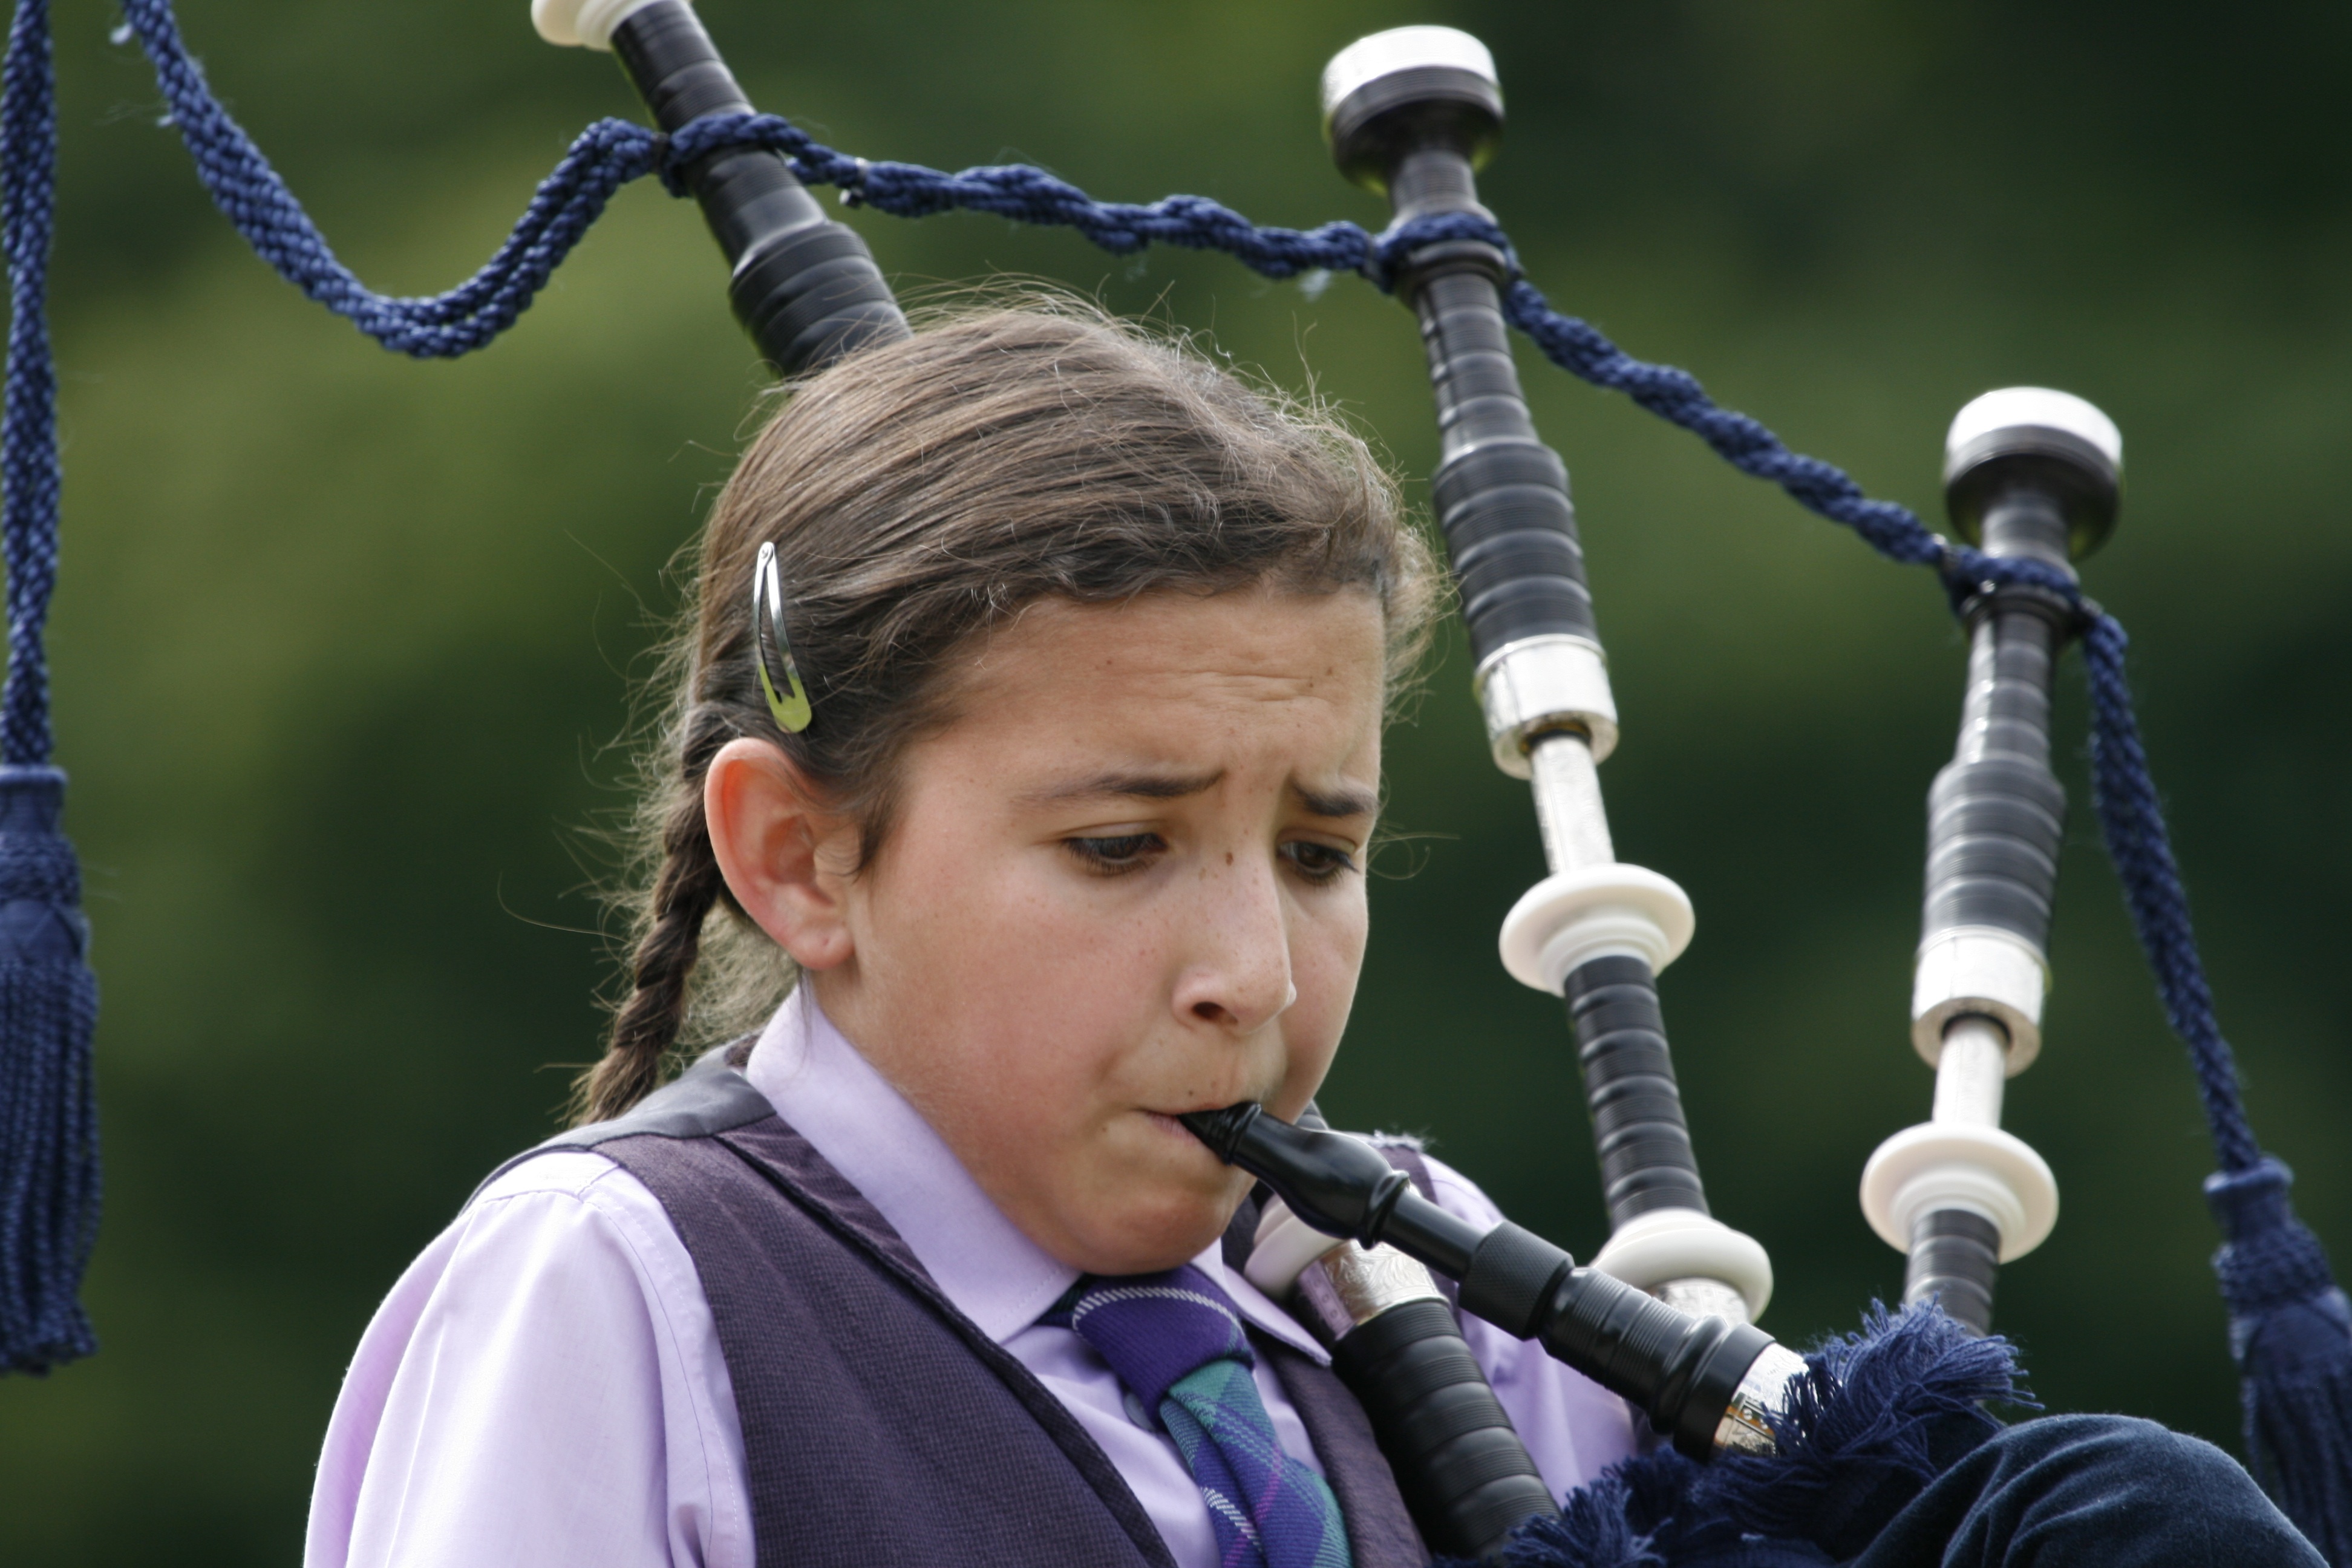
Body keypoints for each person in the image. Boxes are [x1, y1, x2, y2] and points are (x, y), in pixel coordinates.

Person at [300, 301, 2321, 1568]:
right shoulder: (619, 1292)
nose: (1254, 976)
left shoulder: (1400, 1291)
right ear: (803, 859)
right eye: (1118, 847)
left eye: (1320, 851)